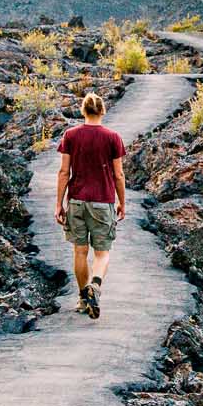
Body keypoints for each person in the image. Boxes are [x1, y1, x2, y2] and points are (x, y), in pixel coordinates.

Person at [54, 92, 126, 320]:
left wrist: (59, 204)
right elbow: (119, 174)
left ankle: (83, 297)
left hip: (76, 201)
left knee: (80, 251)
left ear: (83, 111)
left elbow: (64, 172)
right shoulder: (113, 137)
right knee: (102, 254)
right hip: (102, 202)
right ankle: (95, 284)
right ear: (102, 111)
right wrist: (122, 202)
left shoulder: (70, 135)